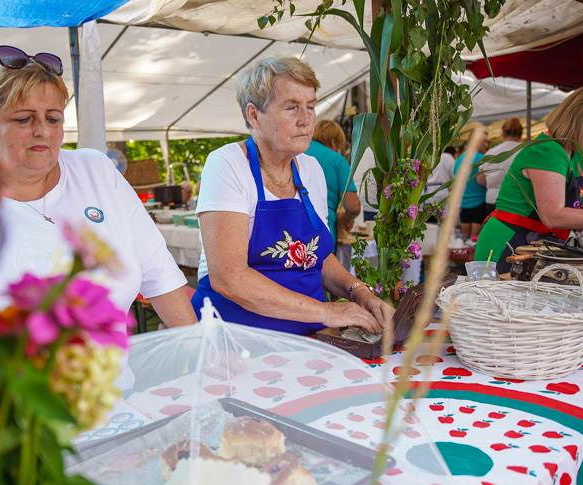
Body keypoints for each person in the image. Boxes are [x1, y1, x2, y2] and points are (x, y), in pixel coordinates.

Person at [0, 45, 197, 385]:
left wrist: (204, 354)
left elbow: (160, 274)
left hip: (111, 401)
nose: (42, 130)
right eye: (23, 119)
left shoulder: (96, 170)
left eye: (53, 118)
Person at [191, 56, 393, 336]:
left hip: (310, 335)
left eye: (311, 106)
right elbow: (229, 278)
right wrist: (326, 311)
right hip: (238, 338)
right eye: (291, 107)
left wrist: (360, 293)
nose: (306, 119)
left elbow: (318, 258)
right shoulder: (227, 164)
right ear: (254, 115)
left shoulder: (311, 169)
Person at [475, 85, 583, 274]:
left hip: (532, 245)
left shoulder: (572, 152)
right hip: (508, 245)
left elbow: (582, 203)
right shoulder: (547, 150)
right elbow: (553, 216)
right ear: (579, 123)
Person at [305, 120, 361, 247]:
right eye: (339, 146)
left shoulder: (297, 153)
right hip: (322, 228)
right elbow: (353, 206)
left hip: (292, 227)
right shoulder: (337, 160)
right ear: (333, 142)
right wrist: (348, 218)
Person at [478, 117, 523, 215]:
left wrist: (492, 187)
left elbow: (480, 179)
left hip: (492, 199)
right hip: (517, 200)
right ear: (520, 135)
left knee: (493, 229)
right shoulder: (525, 152)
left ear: (504, 134)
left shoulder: (490, 152)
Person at [454, 138, 489, 238]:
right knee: (474, 241)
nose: (486, 145)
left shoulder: (460, 158)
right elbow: (484, 179)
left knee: (464, 240)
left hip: (464, 202)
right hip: (479, 202)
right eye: (485, 141)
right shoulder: (482, 158)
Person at [422, 145, 457, 209]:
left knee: (427, 217)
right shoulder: (448, 157)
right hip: (441, 193)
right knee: (441, 215)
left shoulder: (423, 158)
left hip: (426, 193)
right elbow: (454, 177)